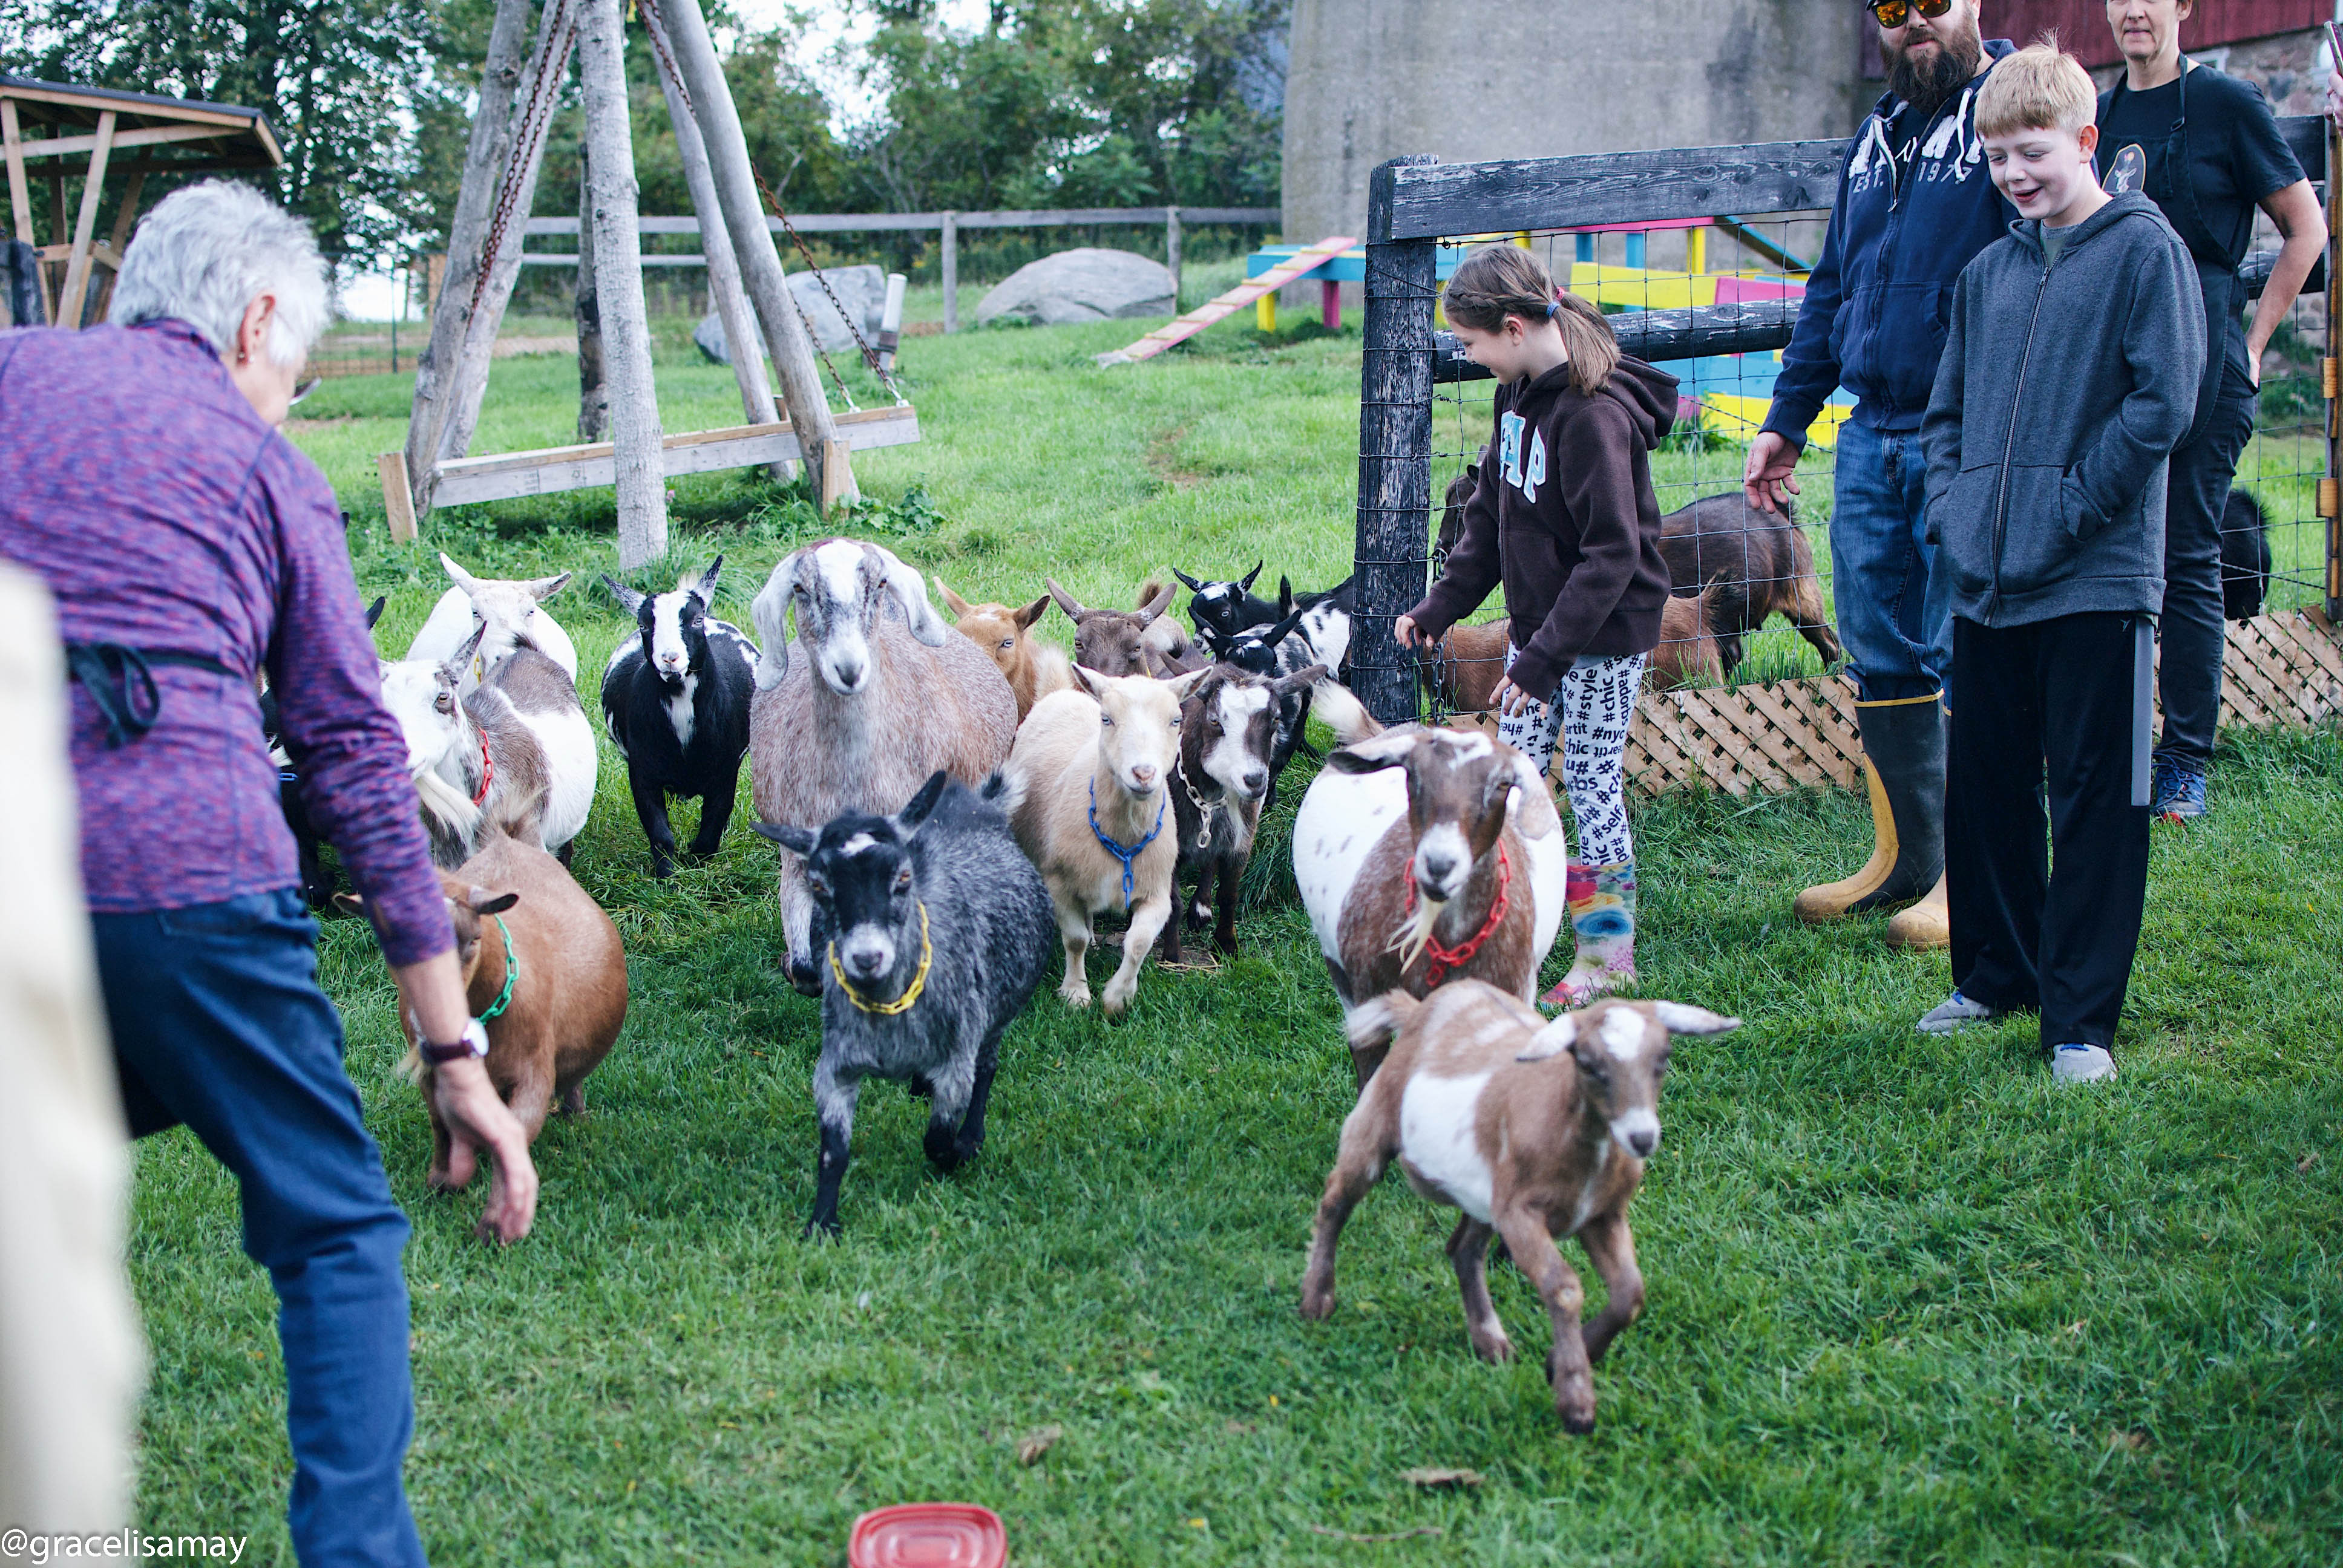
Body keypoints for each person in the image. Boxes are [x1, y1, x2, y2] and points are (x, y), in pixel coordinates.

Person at [0, 181, 540, 1565]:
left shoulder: (12, 371)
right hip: (194, 893)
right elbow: (358, 764)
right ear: (253, 321)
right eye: (293, 375)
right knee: (339, 1228)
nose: (288, 406)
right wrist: (452, 1048)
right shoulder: (266, 471)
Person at [1917, 42, 2204, 1084]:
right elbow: (1942, 415)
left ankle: (2078, 1020)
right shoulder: (1987, 272)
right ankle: (1997, 974)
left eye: (2030, 153)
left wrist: (2068, 509)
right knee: (1986, 788)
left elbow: (2162, 403)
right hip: (1987, 580)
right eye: (1995, 159)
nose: (2013, 176)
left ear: (2086, 142)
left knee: (2094, 800)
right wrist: (1954, 512)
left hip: (2093, 578)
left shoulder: (2143, 253)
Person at [1742, 0, 2019, 952]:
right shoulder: (1878, 136)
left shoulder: (2013, 107)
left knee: (1962, 647)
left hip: (1969, 429)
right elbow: (1831, 287)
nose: (1915, 25)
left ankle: (1970, 876)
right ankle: (1905, 863)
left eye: (1933, 4)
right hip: (1869, 431)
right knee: (1879, 647)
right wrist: (1786, 420)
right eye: (1893, 10)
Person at [1392, 244, 1679, 1009]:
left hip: (1598, 637)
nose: (1466, 353)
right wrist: (1438, 607)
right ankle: (1502, 923)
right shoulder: (1514, 395)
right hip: (1540, 639)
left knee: (1588, 786)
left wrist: (1541, 659)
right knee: (1511, 785)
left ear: (1513, 327)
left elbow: (1611, 555)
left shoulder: (1591, 417)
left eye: (1470, 341)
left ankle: (1606, 954)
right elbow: (1488, 517)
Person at [2096, 0, 2321, 822]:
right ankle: (2105, 745)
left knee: (2189, 556)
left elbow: (2305, 229)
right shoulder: (2102, 114)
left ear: (2183, 5)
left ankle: (2185, 758)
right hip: (2119, 365)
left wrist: (2254, 344)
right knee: (2110, 552)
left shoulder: (2227, 104)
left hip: (2206, 355)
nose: (2132, 11)